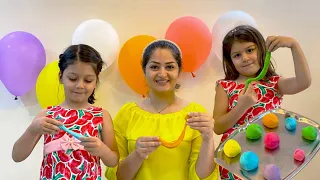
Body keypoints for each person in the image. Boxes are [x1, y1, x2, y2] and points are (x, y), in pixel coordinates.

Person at [105, 40, 219, 180]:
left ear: (179, 71)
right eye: (154, 67)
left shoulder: (194, 115)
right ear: (144, 70)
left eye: (170, 67)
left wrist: (208, 139)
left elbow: (203, 177)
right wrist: (138, 154)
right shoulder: (127, 114)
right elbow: (116, 176)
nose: (162, 73)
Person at [213, 25, 311, 179]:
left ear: (261, 50)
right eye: (237, 55)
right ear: (230, 61)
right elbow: (218, 127)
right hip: (235, 165)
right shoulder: (225, 86)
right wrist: (242, 106)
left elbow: (303, 82)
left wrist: (294, 45)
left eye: (250, 50)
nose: (245, 58)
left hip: (269, 162)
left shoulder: (274, 83)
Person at [12, 44, 119, 180]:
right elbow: (17, 156)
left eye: (88, 80)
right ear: (61, 77)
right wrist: (32, 130)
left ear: (96, 81)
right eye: (73, 78)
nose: (80, 85)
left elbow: (114, 160)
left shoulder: (101, 116)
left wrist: (102, 150)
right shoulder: (47, 115)